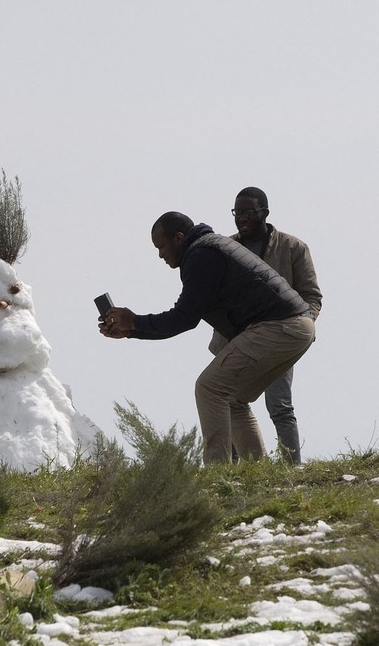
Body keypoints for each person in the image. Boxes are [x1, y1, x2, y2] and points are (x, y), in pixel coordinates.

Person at [99, 211, 315, 464]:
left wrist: (134, 322)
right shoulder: (209, 248)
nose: (160, 255)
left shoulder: (201, 255)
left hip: (278, 326)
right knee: (233, 399)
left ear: (179, 238)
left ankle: (218, 473)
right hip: (297, 329)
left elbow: (184, 318)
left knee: (209, 388)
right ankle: (258, 473)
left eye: (161, 246)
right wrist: (132, 330)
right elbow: (185, 318)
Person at [228, 186, 322, 463]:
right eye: (237, 212)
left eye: (247, 212)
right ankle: (230, 470)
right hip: (237, 340)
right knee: (226, 402)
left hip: (280, 338)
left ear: (264, 213)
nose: (241, 218)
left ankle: (291, 469)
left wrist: (303, 326)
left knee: (279, 406)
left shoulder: (293, 248)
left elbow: (311, 296)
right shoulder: (227, 248)